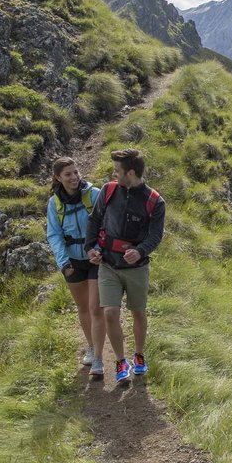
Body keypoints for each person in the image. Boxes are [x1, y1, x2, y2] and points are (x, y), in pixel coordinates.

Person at [85, 148, 166, 384]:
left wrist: (140, 251)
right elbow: (94, 220)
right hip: (108, 264)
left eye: (117, 171)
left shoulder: (155, 201)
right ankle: (121, 361)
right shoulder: (109, 191)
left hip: (137, 268)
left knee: (138, 312)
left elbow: (155, 235)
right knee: (110, 312)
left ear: (130, 173)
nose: (114, 174)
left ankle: (139, 355)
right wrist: (91, 248)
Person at [46, 156, 106, 376]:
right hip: (72, 262)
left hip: (96, 259)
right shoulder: (55, 203)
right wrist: (64, 263)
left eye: (76, 172)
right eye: (68, 174)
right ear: (57, 177)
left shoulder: (95, 194)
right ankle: (91, 346)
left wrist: (100, 250)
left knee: (96, 307)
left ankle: (98, 357)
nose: (74, 177)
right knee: (83, 308)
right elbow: (54, 235)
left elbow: (108, 225)